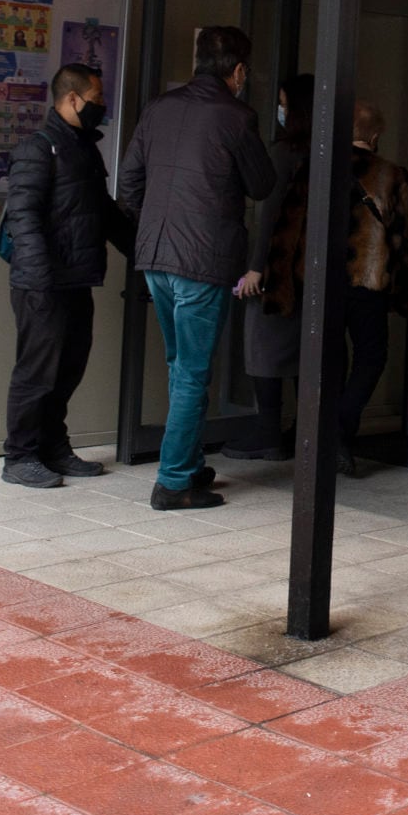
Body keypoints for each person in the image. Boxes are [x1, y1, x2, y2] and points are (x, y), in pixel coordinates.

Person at [118, 25, 276, 510]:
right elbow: (263, 184)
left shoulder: (159, 108)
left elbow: (129, 184)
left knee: (179, 365)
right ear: (239, 70)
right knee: (191, 372)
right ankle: (172, 482)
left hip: (155, 258)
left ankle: (184, 461)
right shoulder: (237, 116)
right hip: (202, 261)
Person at [0, 63, 134, 489]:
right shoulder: (38, 148)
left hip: (77, 280)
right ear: (71, 99)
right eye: (97, 100)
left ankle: (54, 448)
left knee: (68, 369)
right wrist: (39, 279)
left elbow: (104, 212)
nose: (103, 108)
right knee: (36, 372)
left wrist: (145, 252)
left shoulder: (83, 148)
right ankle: (19, 457)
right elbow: (23, 217)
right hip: (42, 284)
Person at [225, 74, 312, 462]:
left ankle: (268, 430)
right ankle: (304, 431)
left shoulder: (284, 152)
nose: (278, 109)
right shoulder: (330, 153)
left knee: (263, 344)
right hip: (312, 269)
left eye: (282, 102)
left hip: (279, 268)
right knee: (303, 352)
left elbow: (269, 216)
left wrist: (255, 268)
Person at [336, 102, 408, 475]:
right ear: (375, 135)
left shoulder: (321, 166)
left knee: (328, 357)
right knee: (371, 356)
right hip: (368, 278)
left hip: (324, 279)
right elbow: (400, 237)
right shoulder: (390, 175)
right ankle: (340, 432)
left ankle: (319, 434)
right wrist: (400, 288)